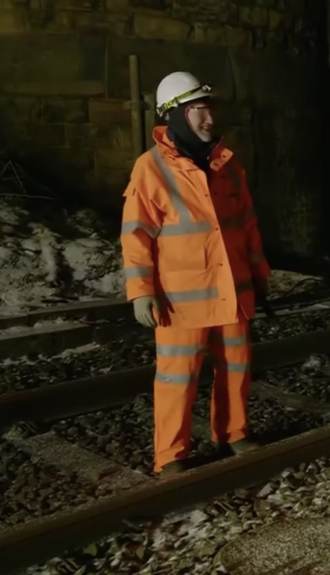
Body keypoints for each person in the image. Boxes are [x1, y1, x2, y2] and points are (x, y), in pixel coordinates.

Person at [119, 71, 270, 478]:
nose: (208, 120)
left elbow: (247, 224)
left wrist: (259, 274)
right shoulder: (150, 168)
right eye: (198, 111)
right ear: (175, 115)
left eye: (209, 110)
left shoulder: (228, 164)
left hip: (232, 291)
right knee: (176, 377)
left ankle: (234, 433)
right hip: (180, 301)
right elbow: (136, 234)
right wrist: (141, 292)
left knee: (236, 366)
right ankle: (170, 455)